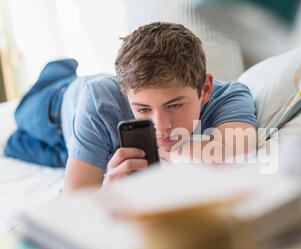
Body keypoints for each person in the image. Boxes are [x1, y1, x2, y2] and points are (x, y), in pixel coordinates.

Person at [4, 22, 258, 192]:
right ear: (125, 96)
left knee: (31, 150)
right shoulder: (99, 100)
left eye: (175, 105)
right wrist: (108, 191)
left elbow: (236, 153)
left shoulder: (231, 96)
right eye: (143, 109)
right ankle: (58, 70)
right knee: (22, 112)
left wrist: (165, 151)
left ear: (204, 89)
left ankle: (21, 145)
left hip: (87, 135)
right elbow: (77, 205)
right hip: (58, 106)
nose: (161, 126)